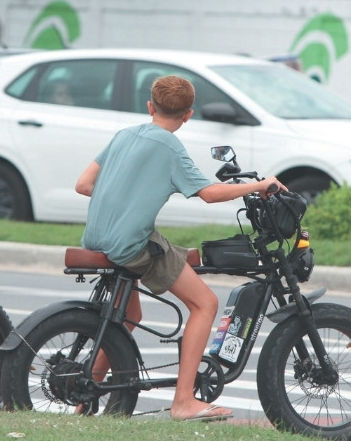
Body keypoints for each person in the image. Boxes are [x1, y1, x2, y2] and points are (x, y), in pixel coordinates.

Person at [75, 74, 286, 422]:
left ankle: (87, 392)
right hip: (129, 243)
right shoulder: (170, 148)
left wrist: (124, 197)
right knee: (205, 303)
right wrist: (260, 185)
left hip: (97, 237)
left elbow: (84, 185)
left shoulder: (124, 135)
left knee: (131, 314)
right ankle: (184, 401)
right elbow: (209, 194)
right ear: (188, 115)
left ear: (150, 107)